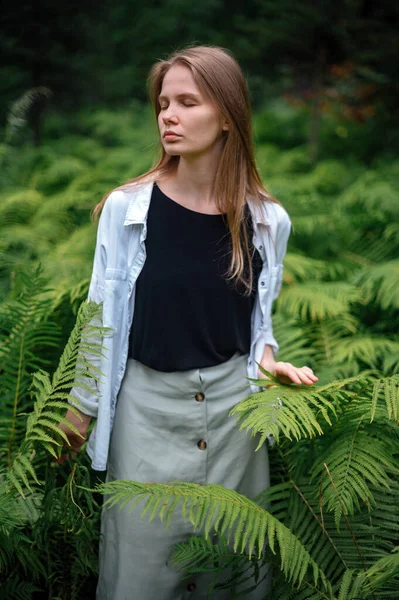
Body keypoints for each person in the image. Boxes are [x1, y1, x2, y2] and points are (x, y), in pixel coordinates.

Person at [58, 45, 318, 600]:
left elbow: (258, 327)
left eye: (186, 103)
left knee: (235, 575)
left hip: (234, 421)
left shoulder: (267, 221)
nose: (168, 116)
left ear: (227, 115)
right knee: (139, 578)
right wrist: (79, 411)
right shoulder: (127, 211)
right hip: (145, 416)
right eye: (163, 104)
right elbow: (101, 319)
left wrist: (273, 365)